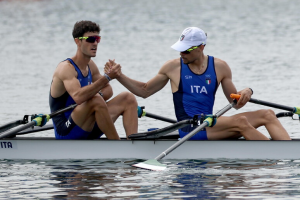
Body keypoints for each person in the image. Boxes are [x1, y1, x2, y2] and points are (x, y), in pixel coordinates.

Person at [105, 27, 291, 140]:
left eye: (186, 50)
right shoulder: (172, 67)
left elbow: (235, 103)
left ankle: (290, 156)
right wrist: (119, 76)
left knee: (267, 114)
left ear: (201, 47)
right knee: (241, 122)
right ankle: (274, 159)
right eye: (180, 49)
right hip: (191, 128)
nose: (181, 54)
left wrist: (247, 91)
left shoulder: (220, 67)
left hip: (211, 124)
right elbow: (144, 91)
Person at [49, 20, 138, 140]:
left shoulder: (90, 65)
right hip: (67, 130)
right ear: (77, 41)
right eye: (90, 39)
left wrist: (96, 94)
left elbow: (108, 90)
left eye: (97, 39)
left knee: (128, 98)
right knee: (95, 99)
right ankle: (117, 145)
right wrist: (107, 78)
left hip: (89, 124)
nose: (95, 43)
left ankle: (133, 144)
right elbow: (78, 97)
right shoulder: (66, 68)